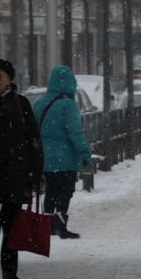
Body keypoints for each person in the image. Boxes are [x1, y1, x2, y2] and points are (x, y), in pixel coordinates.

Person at [0, 59, 42, 279]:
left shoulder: (20, 103)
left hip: (15, 176)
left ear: (9, 80)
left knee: (12, 228)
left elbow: (33, 139)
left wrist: (35, 173)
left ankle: (10, 272)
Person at [34, 65, 92, 240]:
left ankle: (48, 226)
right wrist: (85, 154)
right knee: (66, 191)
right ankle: (60, 226)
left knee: (51, 190)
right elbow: (75, 133)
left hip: (46, 157)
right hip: (65, 157)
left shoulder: (40, 103)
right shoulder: (68, 105)